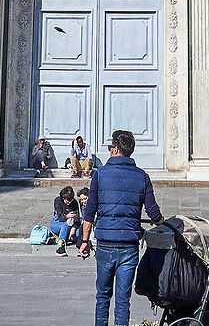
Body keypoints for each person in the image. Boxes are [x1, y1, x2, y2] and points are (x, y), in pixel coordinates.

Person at [86, 128, 162, 326]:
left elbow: (89, 212)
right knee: (122, 299)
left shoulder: (100, 175)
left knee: (102, 296)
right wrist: (163, 224)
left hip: (104, 244)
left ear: (115, 149)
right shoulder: (142, 177)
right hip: (129, 246)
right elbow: (153, 213)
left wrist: (84, 241)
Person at [47, 182, 83, 254]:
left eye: (71, 200)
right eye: (67, 200)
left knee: (80, 232)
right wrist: (67, 216)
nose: (69, 202)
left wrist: (74, 228)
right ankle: (60, 245)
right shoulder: (58, 201)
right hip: (58, 223)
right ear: (63, 198)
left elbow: (77, 218)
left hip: (71, 225)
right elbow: (60, 217)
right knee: (65, 225)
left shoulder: (74, 203)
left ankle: (60, 238)